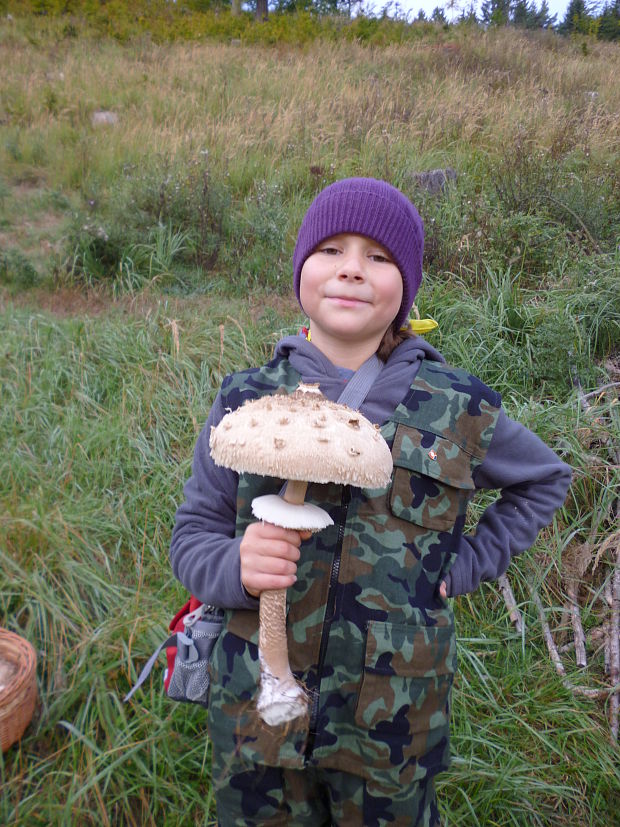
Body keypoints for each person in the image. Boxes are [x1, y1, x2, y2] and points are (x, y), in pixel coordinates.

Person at [170, 178, 572, 827]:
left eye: (380, 257)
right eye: (330, 249)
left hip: (392, 720)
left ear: (406, 289)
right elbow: (192, 534)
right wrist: (235, 567)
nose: (352, 268)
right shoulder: (245, 400)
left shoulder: (458, 405)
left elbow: (546, 478)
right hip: (259, 715)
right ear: (301, 269)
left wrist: (464, 564)